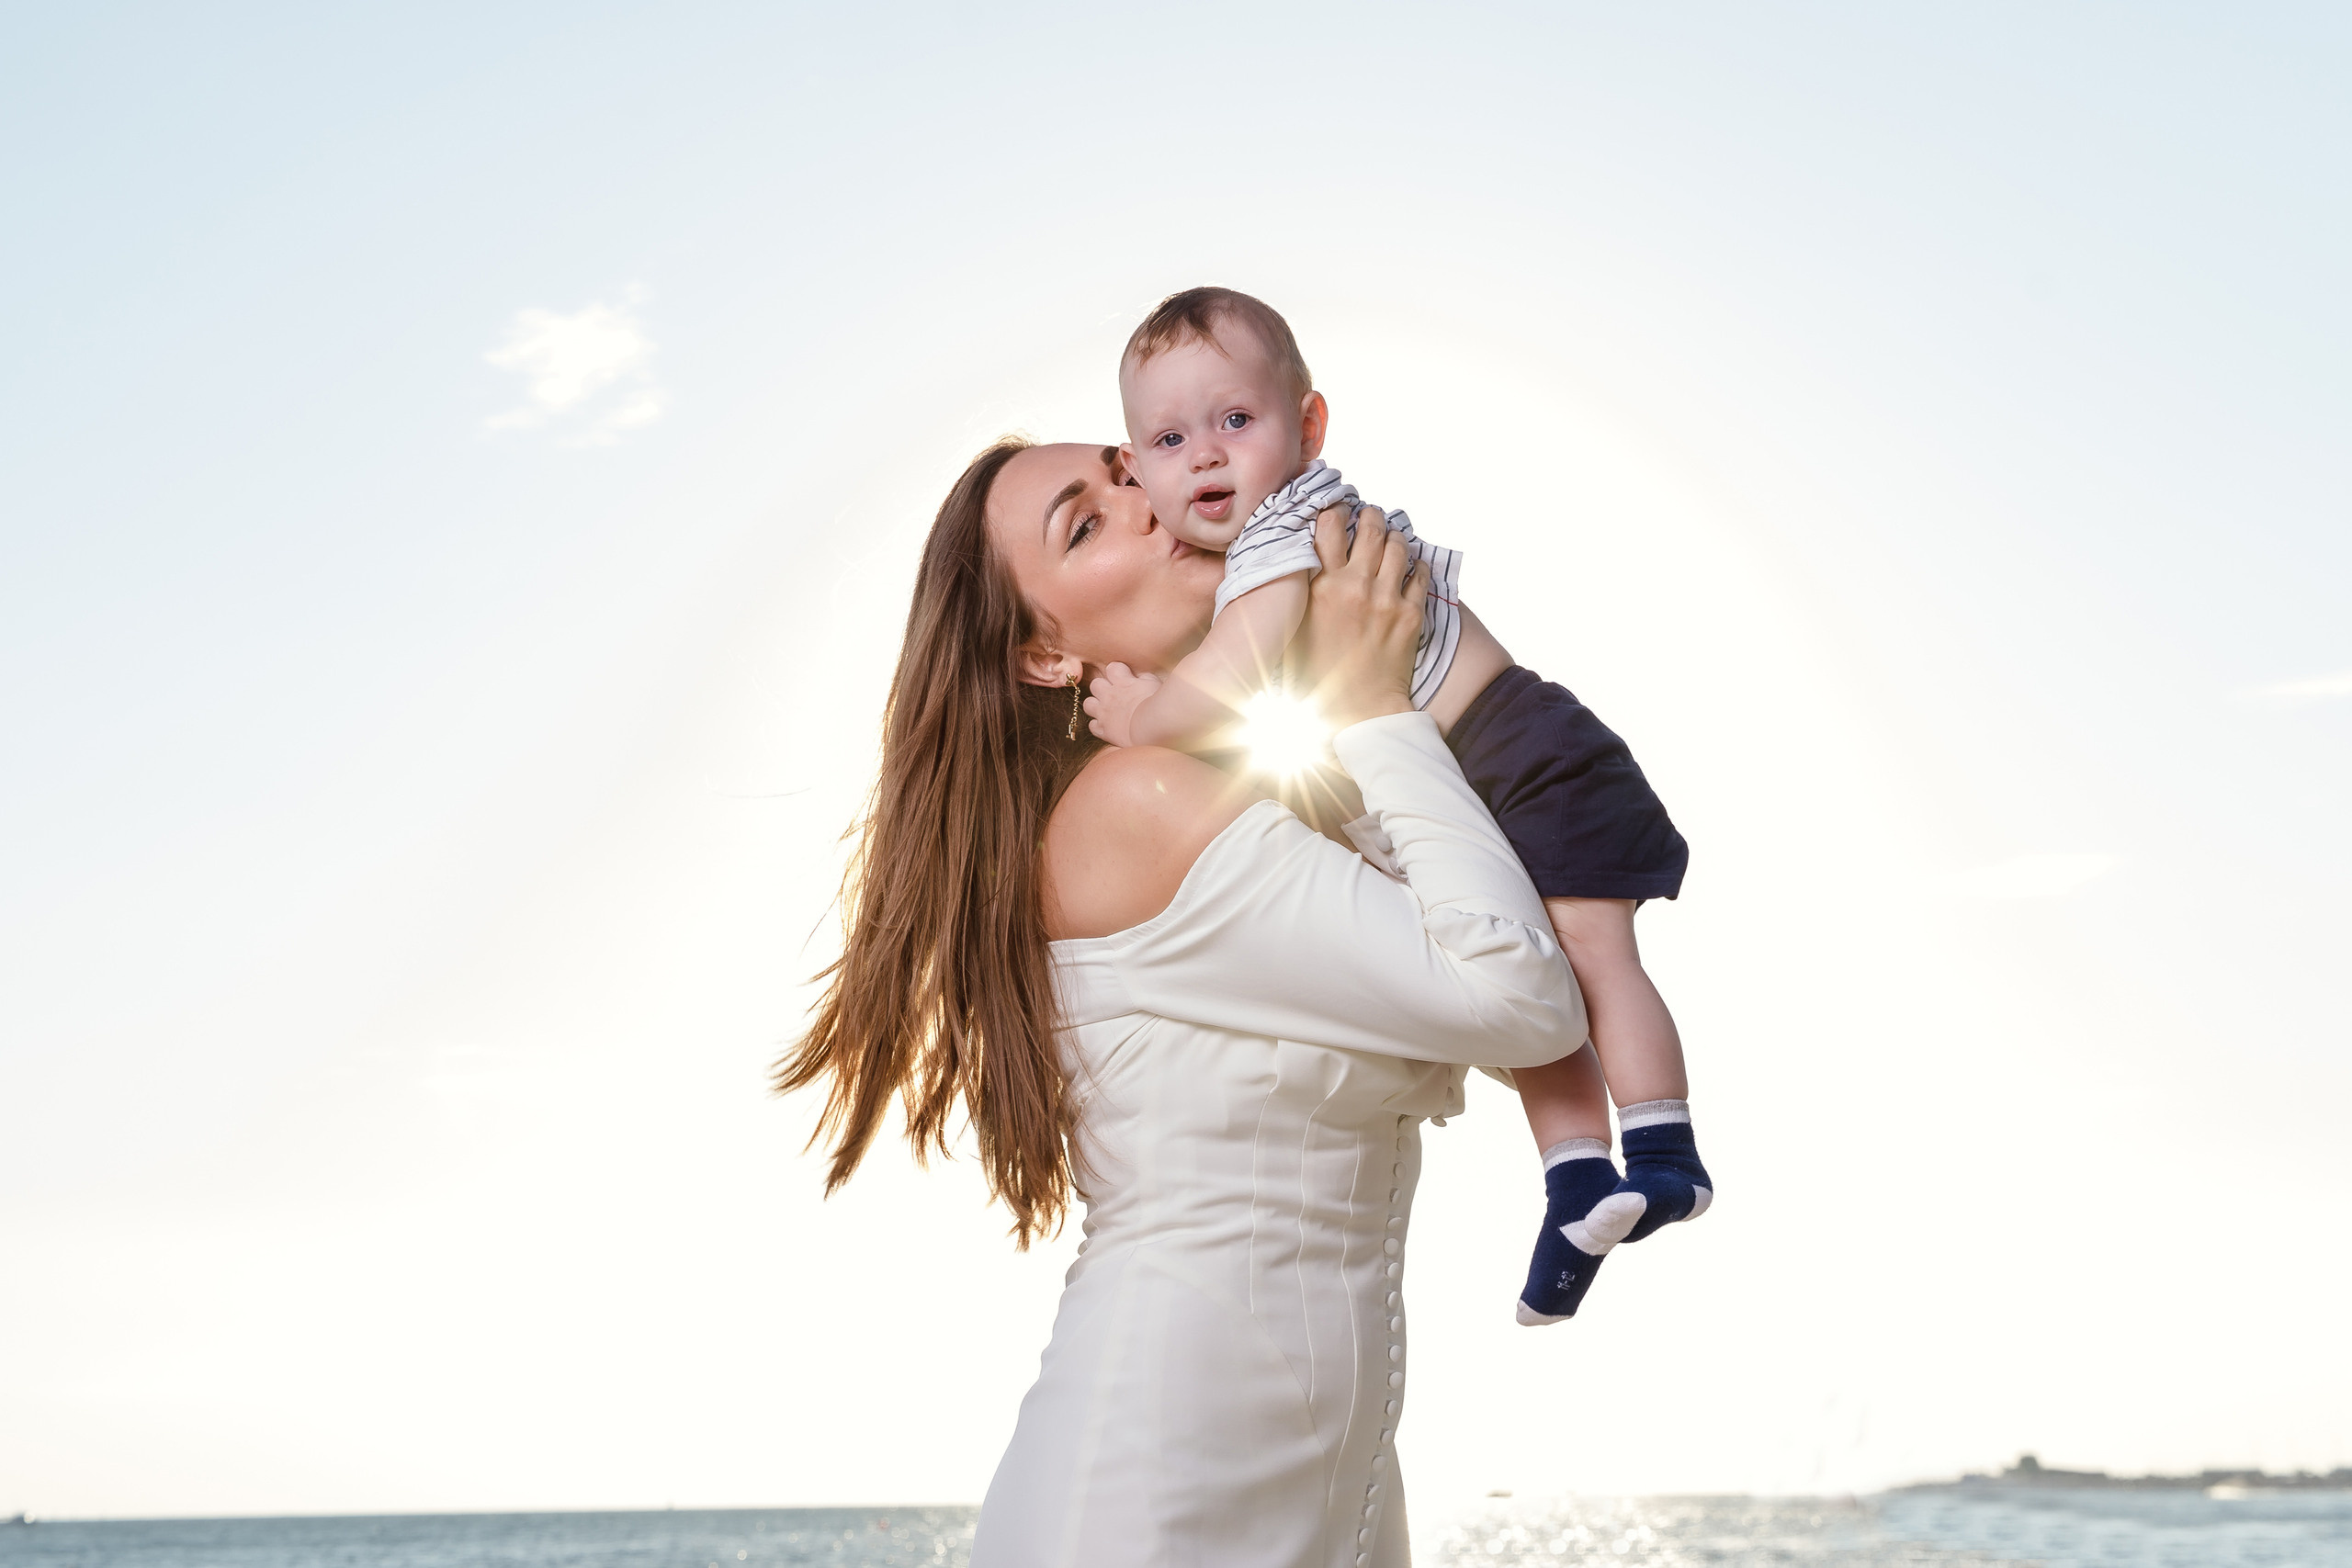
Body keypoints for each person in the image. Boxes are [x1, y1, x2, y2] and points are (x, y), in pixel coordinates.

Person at [775, 437, 1591, 1567]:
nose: (1148, 504)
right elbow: (1521, 1002)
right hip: (1154, 1494)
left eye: (1125, 471)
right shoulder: (1134, 806)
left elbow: (1519, 995)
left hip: (1330, 1492)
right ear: (1044, 658)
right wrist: (1370, 704)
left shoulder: (1242, 798)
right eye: (1085, 523)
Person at [1086, 288, 1709, 1325]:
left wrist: (1146, 714)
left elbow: (1232, 676)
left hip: (1519, 750)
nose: (1203, 455)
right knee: (1538, 991)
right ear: (1139, 466)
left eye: (1235, 421)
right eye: (1167, 438)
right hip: (1462, 772)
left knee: (1592, 960)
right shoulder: (1259, 541)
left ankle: (1663, 1148)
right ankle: (1577, 1184)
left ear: (1308, 426)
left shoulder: (1284, 532)